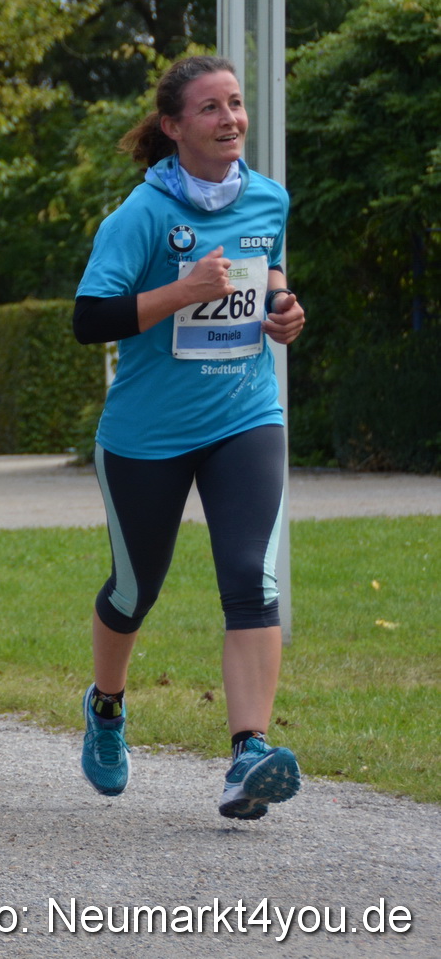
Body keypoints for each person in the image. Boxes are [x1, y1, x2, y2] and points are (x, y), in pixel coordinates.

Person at [72, 54, 305, 820]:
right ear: (174, 127)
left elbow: (268, 270)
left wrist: (282, 308)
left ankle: (248, 754)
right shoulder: (139, 215)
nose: (231, 118)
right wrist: (182, 291)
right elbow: (89, 319)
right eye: (211, 108)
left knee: (251, 576)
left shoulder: (268, 197)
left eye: (236, 104)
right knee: (135, 591)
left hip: (244, 416)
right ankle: (107, 705)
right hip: (147, 436)